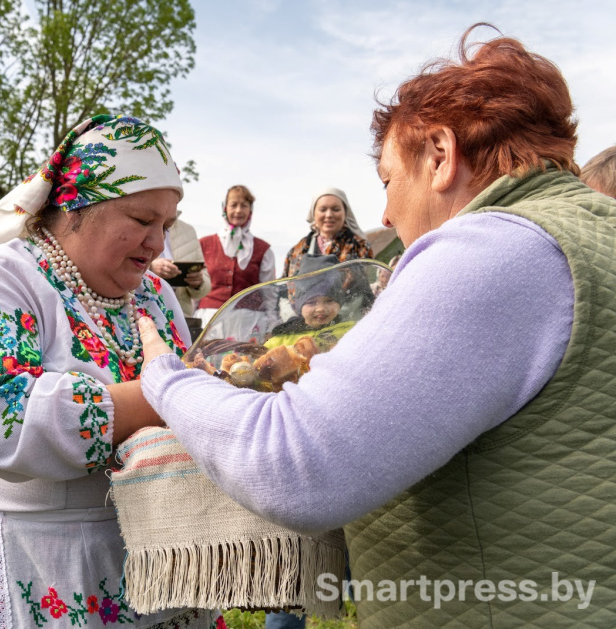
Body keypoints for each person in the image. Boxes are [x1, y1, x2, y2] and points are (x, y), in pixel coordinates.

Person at [135, 26, 616, 627]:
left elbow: (295, 464)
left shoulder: (493, 247)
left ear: (439, 154)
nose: (385, 212)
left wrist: (165, 376)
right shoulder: (594, 229)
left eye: (389, 180)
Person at [0, 114, 222, 628]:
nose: (156, 243)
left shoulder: (155, 294)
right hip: (39, 555)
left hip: (162, 552)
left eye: (166, 227)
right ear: (79, 206)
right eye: (141, 219)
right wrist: (166, 395)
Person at [194, 185, 276, 341]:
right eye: (233, 205)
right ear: (225, 208)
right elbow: (194, 289)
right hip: (210, 321)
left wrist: (272, 325)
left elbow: (269, 293)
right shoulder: (204, 244)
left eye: (244, 205)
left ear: (250, 210)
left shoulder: (263, 250)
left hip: (248, 324)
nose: (238, 210)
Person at [283, 187, 373, 281]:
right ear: (314, 214)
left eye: (336, 209)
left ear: (345, 212)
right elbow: (284, 283)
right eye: (323, 210)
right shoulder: (297, 250)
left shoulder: (359, 246)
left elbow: (367, 282)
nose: (329, 215)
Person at [149, 216, 211, 317]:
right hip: (144, 311)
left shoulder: (188, 231)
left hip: (180, 315)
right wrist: (150, 268)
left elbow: (204, 287)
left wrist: (198, 283)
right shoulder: (140, 222)